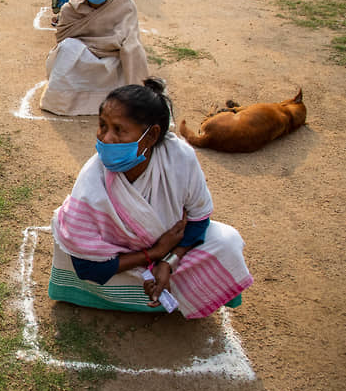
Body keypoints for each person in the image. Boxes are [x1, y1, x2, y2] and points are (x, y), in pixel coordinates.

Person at [48, 79, 253, 318]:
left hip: (171, 252)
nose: (106, 138)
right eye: (102, 125)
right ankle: (127, 297)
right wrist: (153, 254)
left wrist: (169, 261)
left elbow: (198, 219)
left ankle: (166, 285)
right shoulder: (91, 181)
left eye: (119, 130)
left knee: (227, 242)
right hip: (118, 261)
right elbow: (87, 268)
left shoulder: (179, 158)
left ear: (152, 135)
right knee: (72, 246)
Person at [40, 0, 147, 116]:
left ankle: (130, 99)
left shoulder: (125, 4)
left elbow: (129, 43)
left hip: (113, 64)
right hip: (82, 62)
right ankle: (61, 101)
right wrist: (102, 44)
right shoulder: (71, 7)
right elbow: (62, 40)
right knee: (67, 48)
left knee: (134, 49)